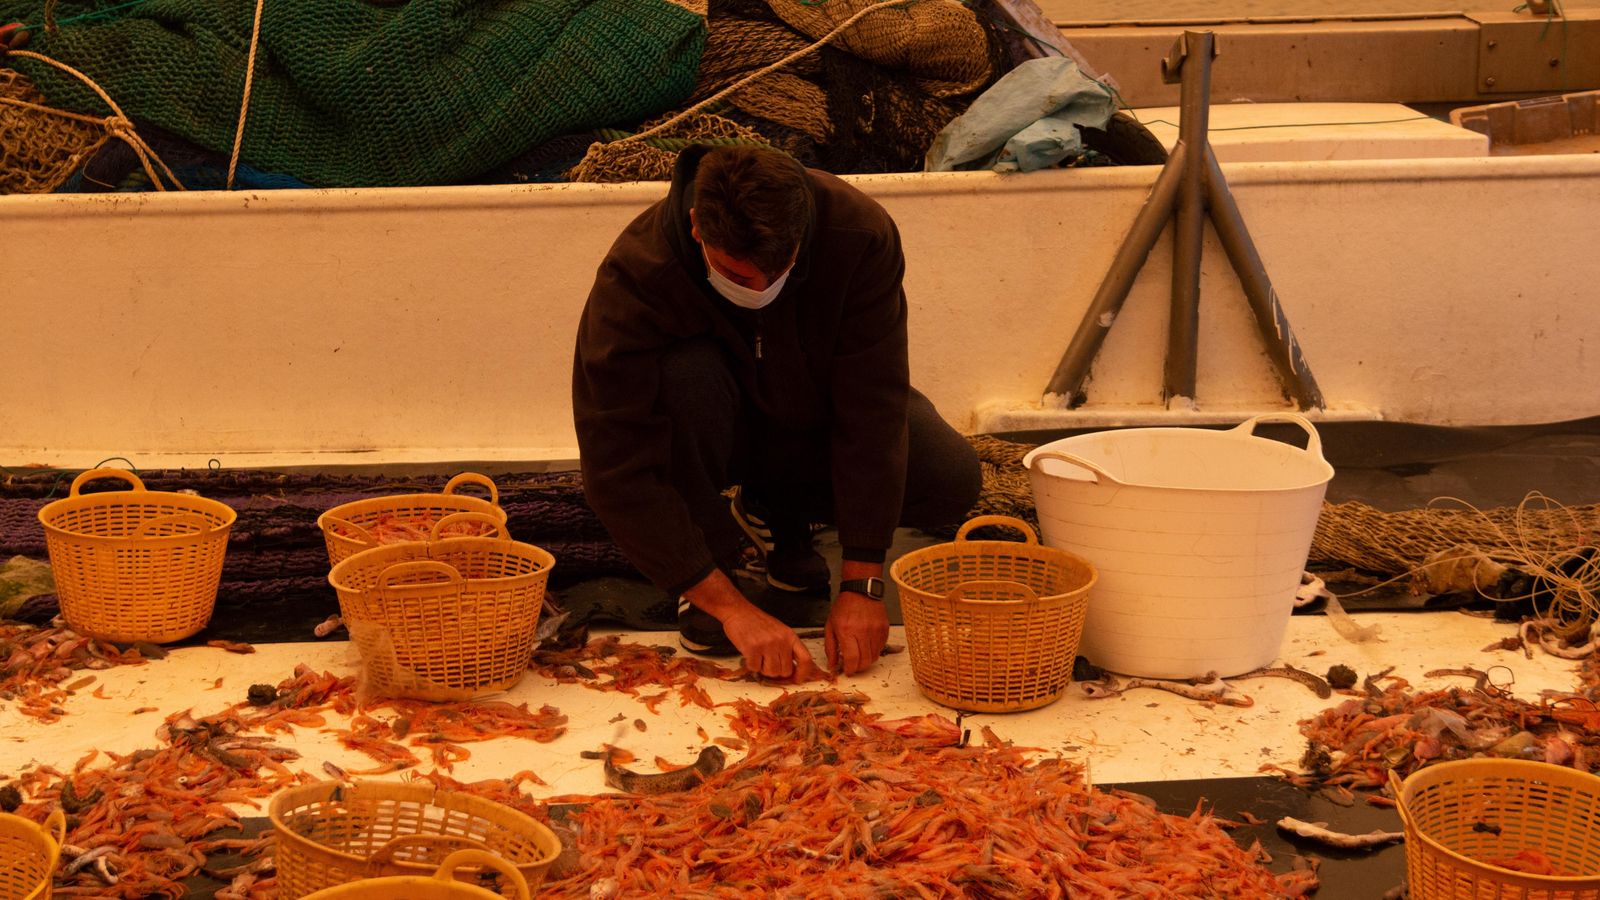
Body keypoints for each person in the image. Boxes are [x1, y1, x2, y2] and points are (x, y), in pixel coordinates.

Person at [572, 144, 980, 680]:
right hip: (714, 430)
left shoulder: (858, 233)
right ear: (698, 227)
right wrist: (730, 606)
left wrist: (862, 584)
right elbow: (615, 463)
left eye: (780, 271)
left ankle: (780, 514)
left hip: (810, 417)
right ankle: (715, 563)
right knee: (686, 377)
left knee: (949, 475)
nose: (760, 290)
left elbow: (873, 406)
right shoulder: (638, 273)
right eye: (738, 277)